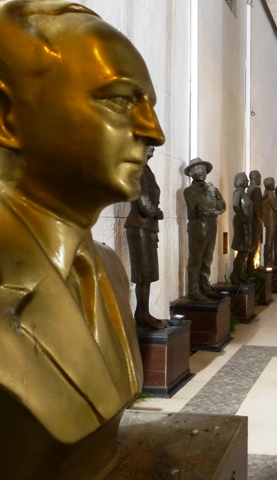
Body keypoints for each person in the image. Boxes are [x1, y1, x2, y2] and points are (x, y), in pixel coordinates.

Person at [0, 2, 163, 478]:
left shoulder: (109, 269)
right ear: (7, 117)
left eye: (150, 105)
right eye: (118, 100)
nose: (154, 132)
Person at [125, 146, 166, 328]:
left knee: (147, 273)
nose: (152, 147)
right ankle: (141, 314)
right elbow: (143, 200)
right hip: (140, 225)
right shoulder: (137, 170)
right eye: (145, 145)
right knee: (143, 273)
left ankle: (143, 312)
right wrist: (156, 213)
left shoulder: (145, 170)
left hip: (147, 227)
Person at [183, 157, 226, 302]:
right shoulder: (190, 191)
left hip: (211, 224)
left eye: (203, 170)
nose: (202, 172)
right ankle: (194, 290)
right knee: (196, 258)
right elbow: (199, 207)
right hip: (198, 225)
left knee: (207, 257)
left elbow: (222, 206)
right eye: (198, 169)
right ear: (191, 173)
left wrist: (215, 194)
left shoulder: (211, 189)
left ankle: (204, 286)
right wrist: (213, 211)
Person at [230, 172, 253, 285]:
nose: (247, 182)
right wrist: (242, 217)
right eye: (246, 180)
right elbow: (235, 205)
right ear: (241, 181)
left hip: (246, 222)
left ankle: (239, 274)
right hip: (241, 222)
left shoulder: (244, 194)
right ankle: (234, 275)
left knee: (245, 250)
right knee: (242, 249)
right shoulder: (238, 193)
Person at [246, 170, 264, 274]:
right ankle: (250, 268)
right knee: (254, 243)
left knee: (252, 243)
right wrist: (261, 218)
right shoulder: (256, 190)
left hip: (250, 219)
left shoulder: (249, 189)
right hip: (255, 220)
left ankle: (250, 266)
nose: (260, 180)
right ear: (254, 178)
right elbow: (258, 206)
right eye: (259, 177)